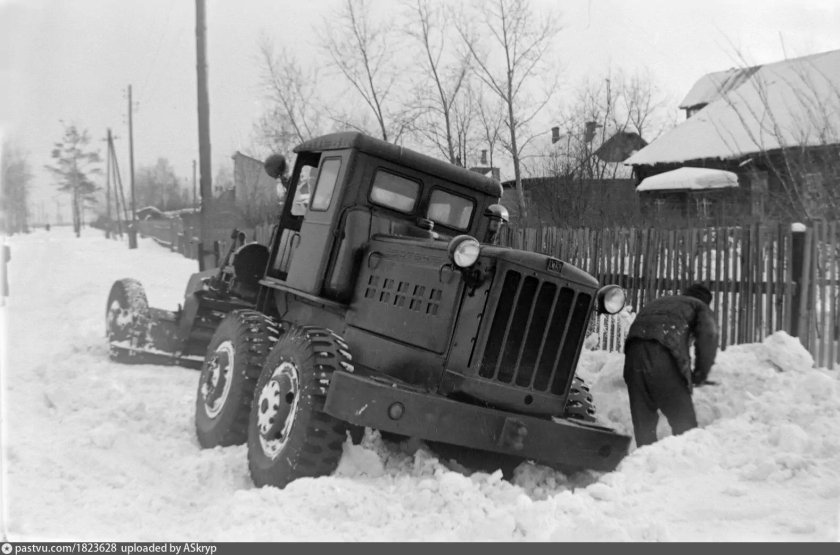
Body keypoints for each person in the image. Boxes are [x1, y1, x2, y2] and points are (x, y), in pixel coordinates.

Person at [622, 283, 718, 447]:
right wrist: (700, 374)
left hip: (633, 358)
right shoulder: (699, 306)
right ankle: (686, 464)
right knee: (684, 424)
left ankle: (644, 466)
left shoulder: (661, 302)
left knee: (644, 423)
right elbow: (708, 337)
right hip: (663, 357)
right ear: (706, 301)